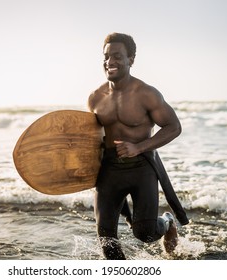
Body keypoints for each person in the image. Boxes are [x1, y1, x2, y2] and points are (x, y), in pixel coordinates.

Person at [88, 33, 189, 260]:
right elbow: (92, 139)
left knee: (145, 233)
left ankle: (167, 221)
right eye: (106, 56)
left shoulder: (146, 94)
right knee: (106, 239)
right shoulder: (95, 98)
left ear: (131, 59)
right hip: (109, 170)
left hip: (141, 166)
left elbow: (173, 127)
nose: (110, 61)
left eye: (117, 56)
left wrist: (139, 147)